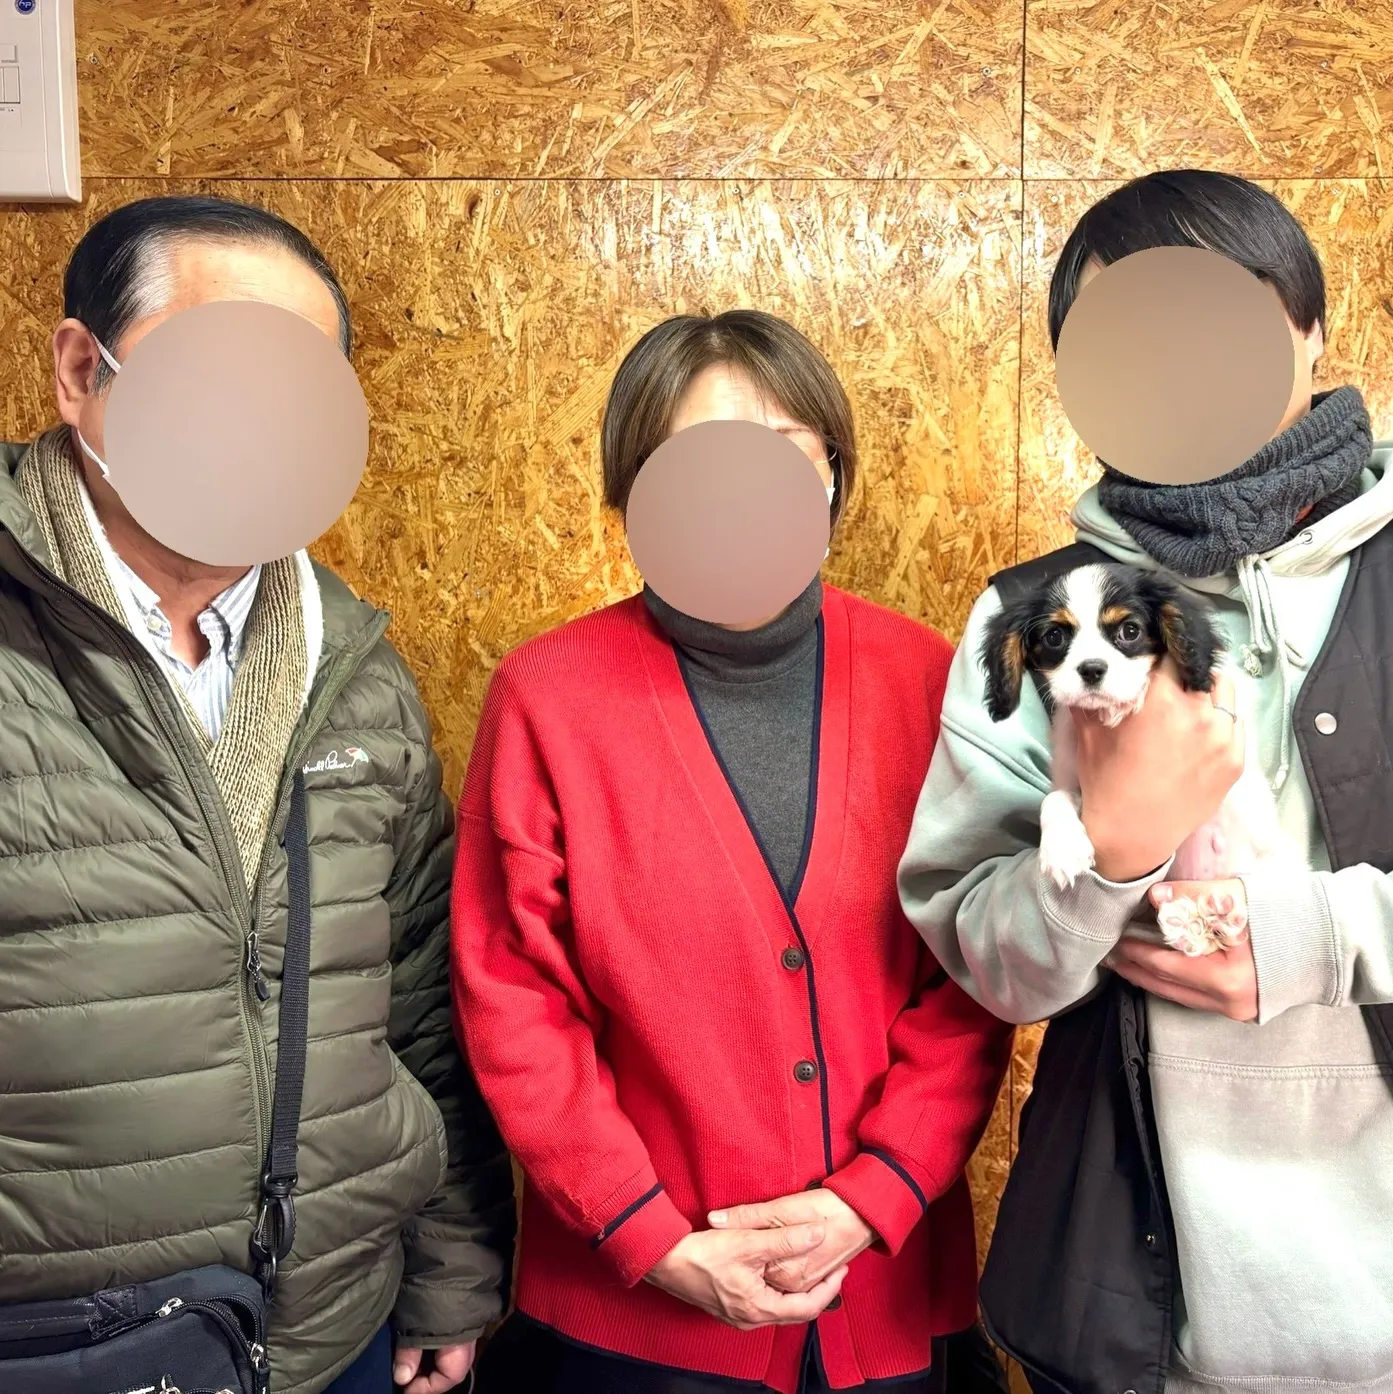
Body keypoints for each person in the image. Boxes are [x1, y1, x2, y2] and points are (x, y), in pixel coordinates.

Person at [898, 168, 1393, 1394]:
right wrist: (1108, 847)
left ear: (1308, 327)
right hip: (1137, 1318)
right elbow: (987, 956)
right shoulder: (1031, 619)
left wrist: (1318, 938)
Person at [0, 196, 514, 1394]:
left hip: (330, 1333)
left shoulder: (357, 673)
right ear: (81, 370)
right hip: (55, 1352)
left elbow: (416, 1007)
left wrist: (451, 1271)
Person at [449, 310, 1014, 1394]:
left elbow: (974, 970)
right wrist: (650, 1234)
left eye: (784, 449)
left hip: (883, 1293)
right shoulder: (546, 697)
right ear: (634, 489)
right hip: (630, 1317)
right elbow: (512, 999)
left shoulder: (926, 678)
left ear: (833, 473)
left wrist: (872, 1196)